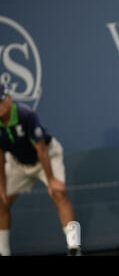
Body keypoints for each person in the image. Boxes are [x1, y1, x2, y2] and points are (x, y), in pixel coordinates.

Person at [0, 85, 81, 256]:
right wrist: (1, 184)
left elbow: (41, 149)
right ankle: (3, 251)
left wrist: (51, 180)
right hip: (18, 163)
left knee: (59, 193)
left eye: (0, 101)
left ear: (8, 98)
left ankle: (74, 248)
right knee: (1, 201)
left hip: (46, 157)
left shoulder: (25, 114)